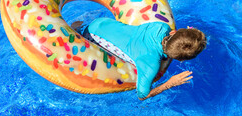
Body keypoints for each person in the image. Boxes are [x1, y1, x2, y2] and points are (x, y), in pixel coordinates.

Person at [71, 18, 206, 100]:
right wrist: (169, 83)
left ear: (173, 32)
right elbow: (142, 95)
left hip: (102, 23)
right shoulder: (150, 64)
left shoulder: (161, 26)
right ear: (180, 60)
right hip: (93, 36)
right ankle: (74, 31)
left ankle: (76, 27)